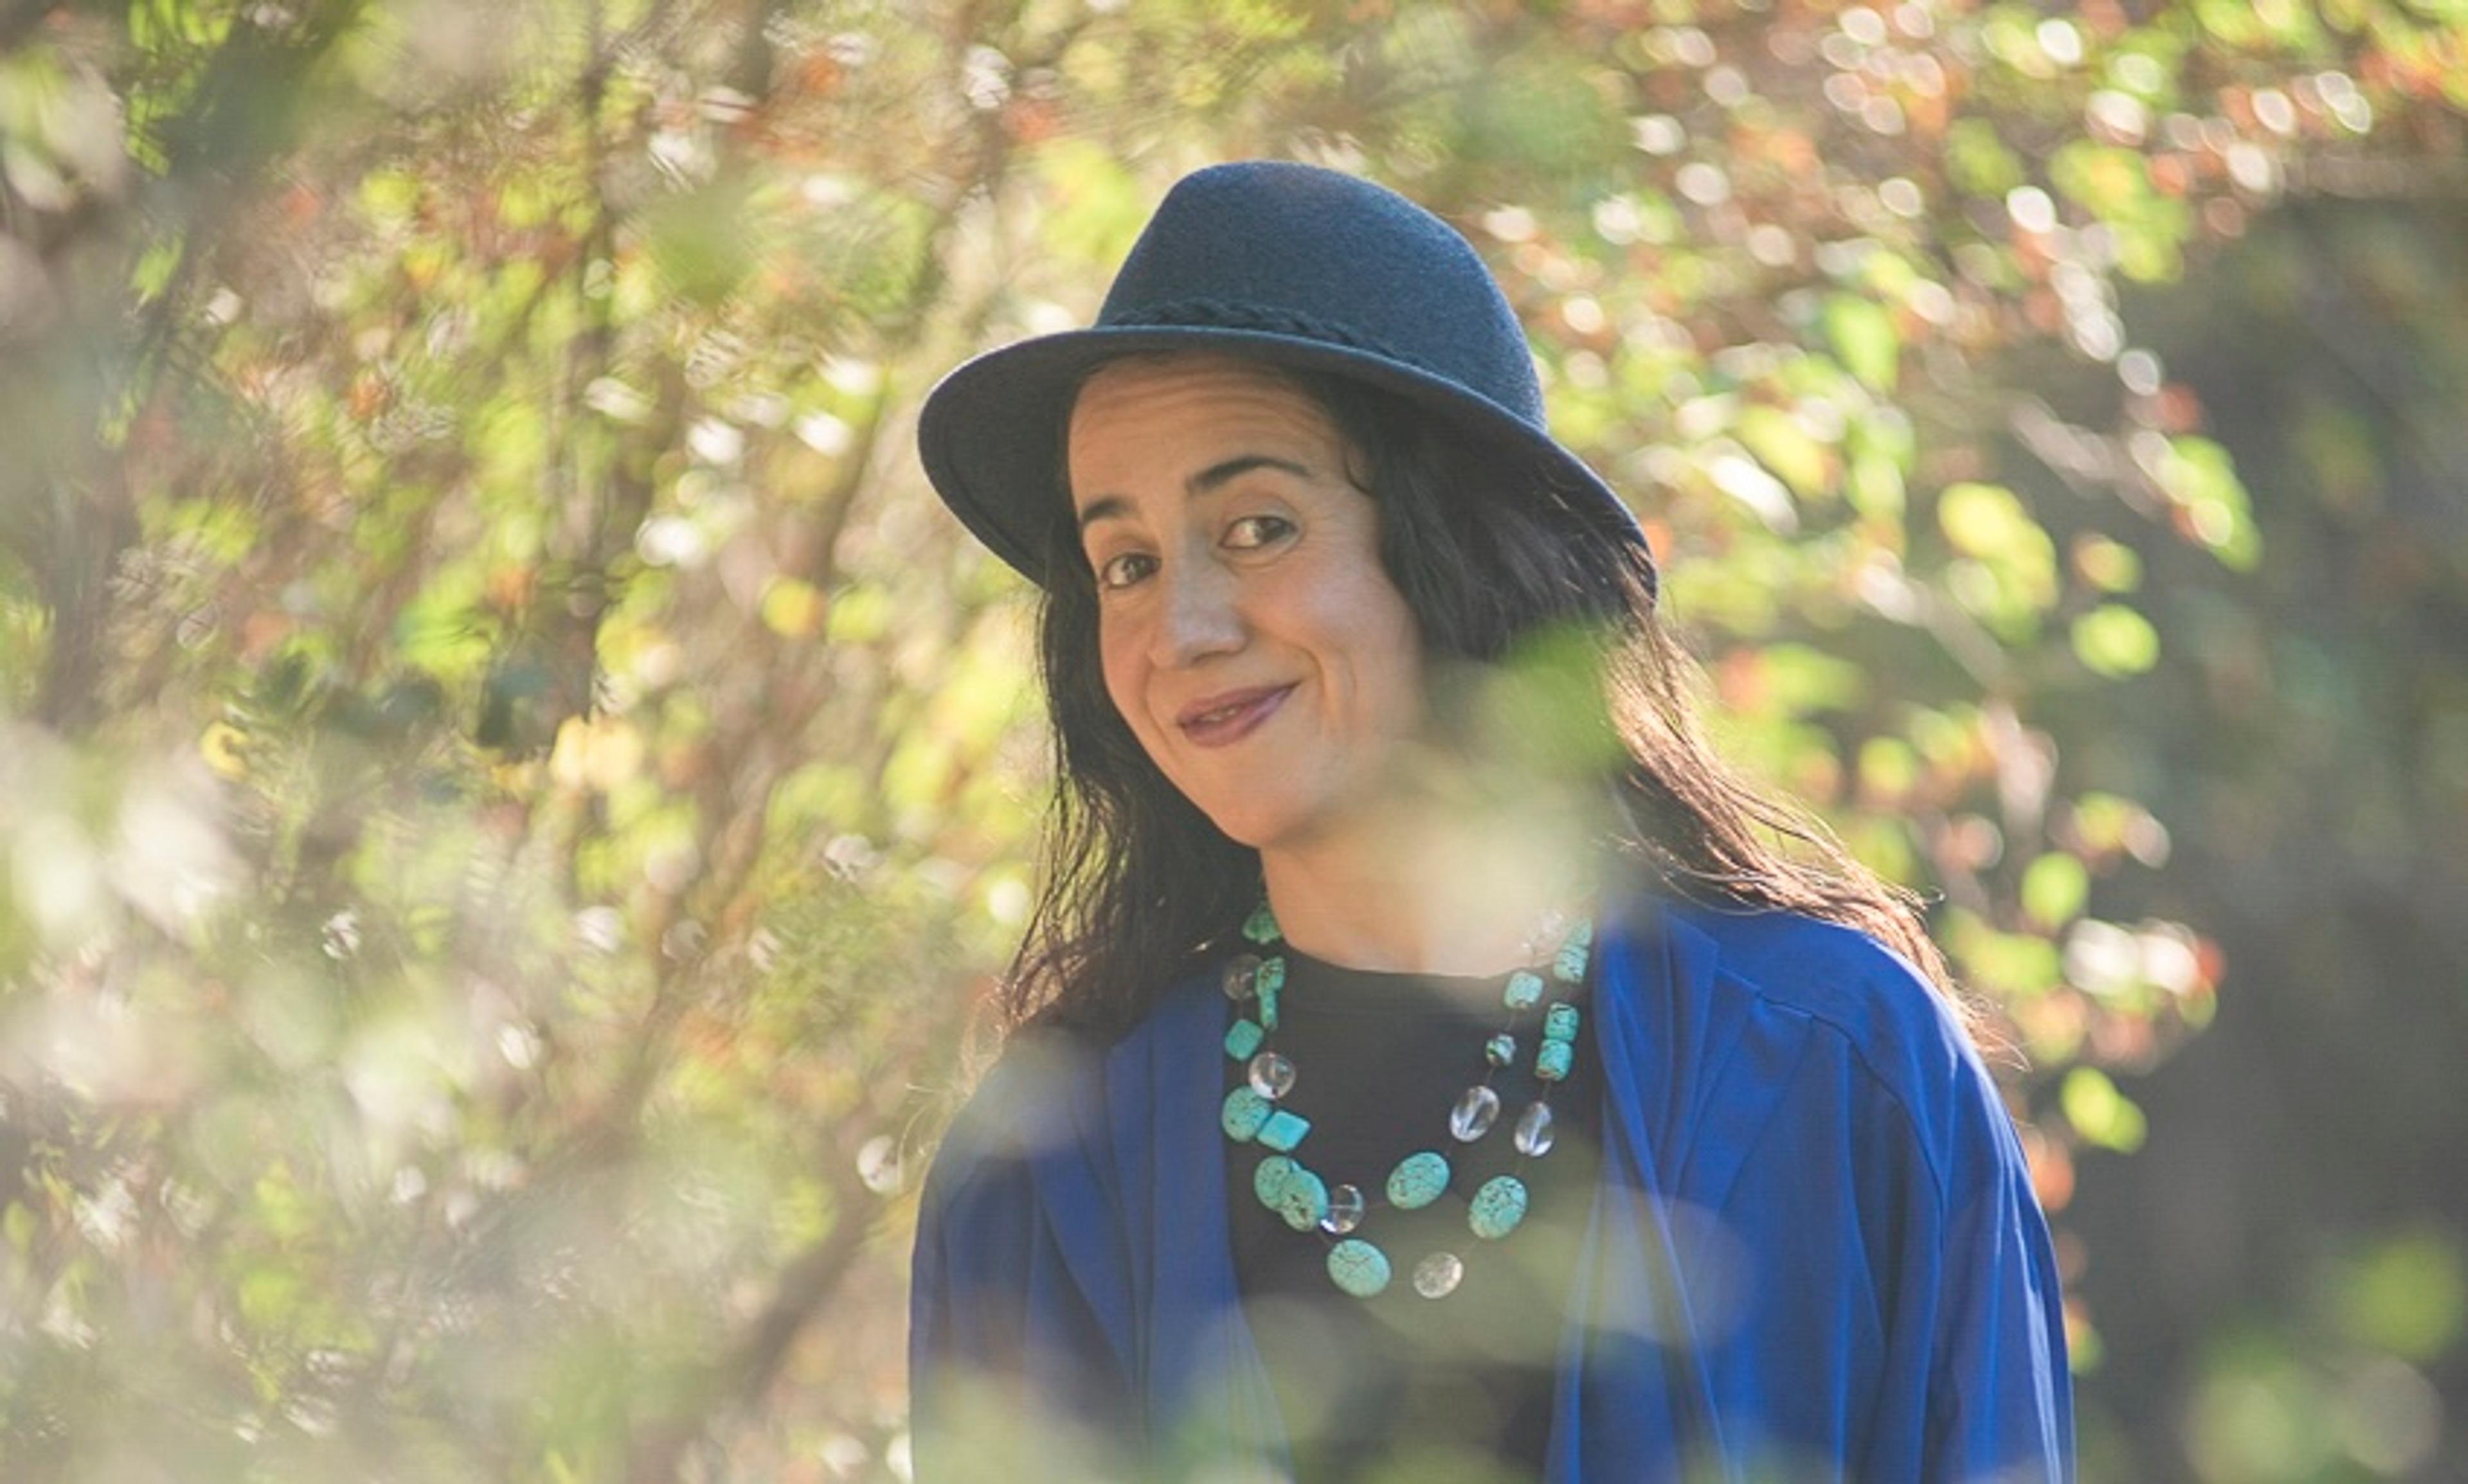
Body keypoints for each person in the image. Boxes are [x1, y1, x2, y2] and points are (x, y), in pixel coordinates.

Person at [908, 161, 2073, 1484]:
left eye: (1259, 527)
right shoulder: (1052, 1166)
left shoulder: (1827, 1060)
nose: (1183, 629)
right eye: (1126, 563)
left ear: (1454, 551)